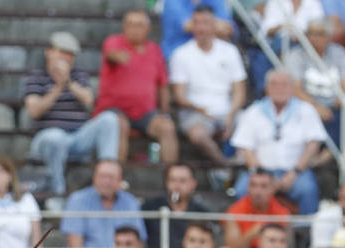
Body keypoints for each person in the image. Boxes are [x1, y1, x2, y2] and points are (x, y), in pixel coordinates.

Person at [23, 31, 120, 202]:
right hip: (46, 140)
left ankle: (108, 173)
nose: (66, 58)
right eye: (62, 52)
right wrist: (58, 88)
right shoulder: (36, 77)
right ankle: (57, 194)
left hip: (77, 138)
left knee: (109, 119)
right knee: (55, 137)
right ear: (49, 52)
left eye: (70, 54)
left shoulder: (78, 75)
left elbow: (89, 101)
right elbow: (34, 111)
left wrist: (67, 82)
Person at [230, 70, 325, 215]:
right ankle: (245, 232)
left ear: (292, 88)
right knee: (242, 189)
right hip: (260, 172)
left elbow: (313, 145)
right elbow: (246, 148)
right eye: (274, 84)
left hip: (296, 171)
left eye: (284, 85)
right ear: (266, 88)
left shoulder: (306, 110)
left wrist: (294, 173)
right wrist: (264, 177)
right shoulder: (253, 111)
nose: (279, 89)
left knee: (308, 190)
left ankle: (304, 234)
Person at [169, 4, 247, 173]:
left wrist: (231, 114)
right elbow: (180, 96)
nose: (201, 27)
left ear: (214, 26)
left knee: (249, 122)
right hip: (196, 112)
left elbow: (239, 91)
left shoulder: (230, 51)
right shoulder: (181, 54)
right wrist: (201, 110)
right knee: (198, 135)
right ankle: (224, 163)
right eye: (197, 23)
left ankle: (241, 164)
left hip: (227, 109)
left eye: (205, 22)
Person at [96, 8, 178, 164]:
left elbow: (163, 85)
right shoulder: (114, 41)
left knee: (167, 127)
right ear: (124, 27)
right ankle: (116, 174)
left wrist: (164, 112)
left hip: (145, 113)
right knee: (120, 125)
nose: (134, 29)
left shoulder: (154, 50)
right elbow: (111, 54)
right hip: (114, 109)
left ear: (147, 28)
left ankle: (172, 178)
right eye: (130, 24)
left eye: (139, 25)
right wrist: (118, 56)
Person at [61, 158, 145, 248]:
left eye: (111, 177)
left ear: (120, 180)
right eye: (102, 176)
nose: (106, 181)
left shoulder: (131, 202)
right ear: (94, 178)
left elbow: (138, 244)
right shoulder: (78, 200)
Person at [142, 163, 211, 248]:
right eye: (172, 180)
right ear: (166, 182)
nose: (177, 185)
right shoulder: (150, 208)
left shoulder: (201, 213)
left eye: (182, 181)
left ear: (193, 184)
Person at [223, 169, 291, 248]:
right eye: (253, 185)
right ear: (248, 187)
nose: (257, 191)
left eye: (263, 186)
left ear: (273, 189)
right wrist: (252, 233)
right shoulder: (234, 212)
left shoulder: (282, 213)